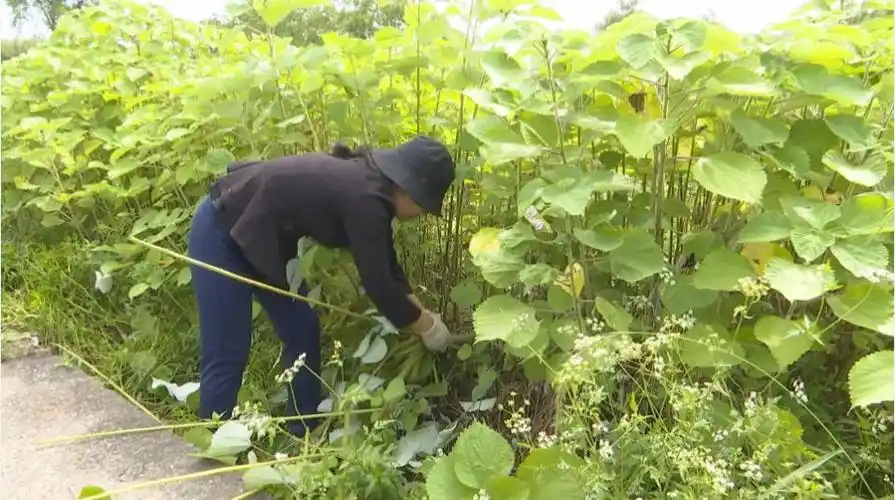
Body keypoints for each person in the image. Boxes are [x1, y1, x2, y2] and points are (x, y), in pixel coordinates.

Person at [186, 136, 457, 437]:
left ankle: (303, 432)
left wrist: (423, 314)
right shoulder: (365, 198)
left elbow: (387, 267)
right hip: (221, 233)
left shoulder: (372, 189)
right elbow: (381, 288)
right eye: (424, 205)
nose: (421, 214)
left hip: (262, 243)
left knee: (302, 328)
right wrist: (428, 328)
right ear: (407, 188)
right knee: (228, 350)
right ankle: (210, 443)